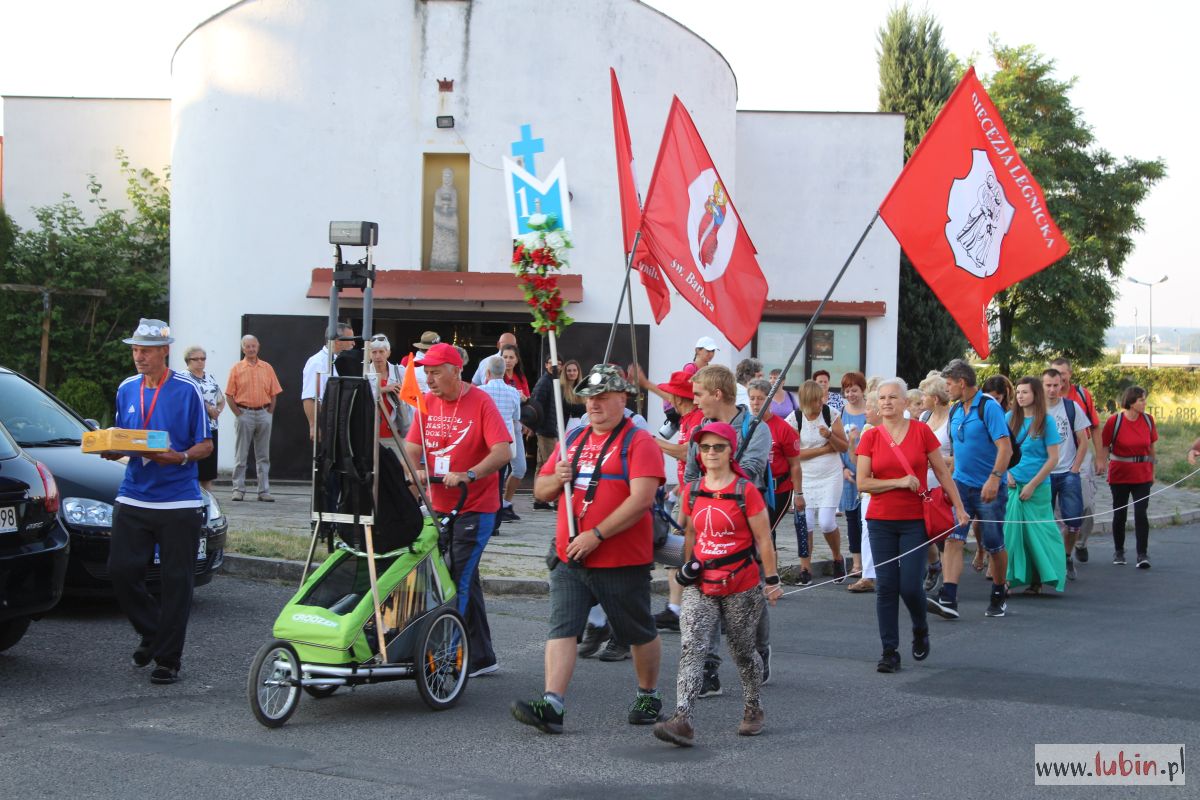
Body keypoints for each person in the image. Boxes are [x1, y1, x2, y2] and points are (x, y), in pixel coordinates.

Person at [512, 365, 666, 735]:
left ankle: (648, 694)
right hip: (570, 556)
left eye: (602, 397)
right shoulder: (574, 439)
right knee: (562, 627)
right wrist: (556, 477)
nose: (593, 404)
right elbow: (540, 491)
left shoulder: (639, 442)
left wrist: (596, 535)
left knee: (638, 631)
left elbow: (641, 500)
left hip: (620, 559)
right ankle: (552, 703)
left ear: (623, 398)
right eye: (589, 397)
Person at [653, 423, 783, 746]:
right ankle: (682, 718)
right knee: (691, 647)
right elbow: (690, 534)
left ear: (730, 451)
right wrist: (686, 568)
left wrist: (771, 580)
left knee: (742, 651)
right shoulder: (692, 490)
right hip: (701, 584)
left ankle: (753, 706)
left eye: (718, 447)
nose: (711, 453)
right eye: (705, 447)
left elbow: (764, 540)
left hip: (741, 584)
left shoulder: (746, 491)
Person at [102, 318, 212, 685]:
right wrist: (111, 449)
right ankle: (153, 632)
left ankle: (168, 659)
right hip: (134, 494)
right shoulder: (126, 389)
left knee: (176, 582)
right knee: (121, 571)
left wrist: (180, 457)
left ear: (164, 351)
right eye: (135, 350)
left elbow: (205, 445)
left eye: (145, 351)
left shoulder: (187, 389)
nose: (138, 357)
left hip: (178, 502)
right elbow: (126, 439)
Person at [403, 343, 512, 677]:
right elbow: (411, 447)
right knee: (464, 579)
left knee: (455, 579)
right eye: (427, 373)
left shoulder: (480, 401)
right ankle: (481, 657)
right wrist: (415, 469)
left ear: (456, 371)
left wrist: (470, 474)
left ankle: (447, 656)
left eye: (436, 373)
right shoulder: (427, 402)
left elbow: (503, 451)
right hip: (438, 507)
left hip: (475, 507)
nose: (430, 380)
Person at [856, 378, 966, 673]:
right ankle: (889, 651)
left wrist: (959, 507)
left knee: (909, 585)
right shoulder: (870, 437)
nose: (887, 402)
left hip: (915, 520)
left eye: (893, 397)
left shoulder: (921, 431)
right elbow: (863, 482)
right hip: (880, 521)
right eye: (882, 398)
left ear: (905, 402)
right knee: (886, 586)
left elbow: (942, 472)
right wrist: (898, 482)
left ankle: (920, 626)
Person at [685, 364, 773, 695]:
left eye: (699, 394)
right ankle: (709, 668)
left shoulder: (756, 428)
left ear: (717, 394)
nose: (695, 401)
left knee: (750, 592)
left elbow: (750, 470)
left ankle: (759, 649)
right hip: (707, 519)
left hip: (746, 518)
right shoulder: (701, 429)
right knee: (706, 587)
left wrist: (719, 475)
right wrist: (695, 502)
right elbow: (691, 474)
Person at [928, 359, 1012, 620]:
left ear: (962, 383)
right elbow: (957, 450)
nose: (947, 389)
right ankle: (949, 596)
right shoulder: (955, 410)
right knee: (953, 539)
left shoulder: (989, 407)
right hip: (961, 486)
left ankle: (999, 591)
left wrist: (995, 479)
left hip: (989, 488)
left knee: (993, 543)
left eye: (949, 384)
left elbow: (1005, 448)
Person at [647, 369, 705, 634]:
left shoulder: (697, 419)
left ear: (679, 398)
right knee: (677, 551)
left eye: (671, 394)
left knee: (686, 551)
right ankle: (675, 609)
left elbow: (686, 453)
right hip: (686, 493)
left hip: (697, 495)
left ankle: (696, 609)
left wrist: (654, 443)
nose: (667, 398)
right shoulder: (686, 418)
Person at [1003, 377, 1066, 595]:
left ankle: (1038, 579)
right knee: (1011, 533)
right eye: (1018, 392)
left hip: (1037, 487)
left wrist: (1032, 485)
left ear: (1035, 395)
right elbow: (1000, 451)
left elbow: (1053, 458)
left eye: (1025, 392)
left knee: (1038, 535)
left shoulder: (1046, 422)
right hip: (1012, 485)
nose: (1020, 396)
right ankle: (1007, 579)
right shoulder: (1009, 418)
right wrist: (1006, 473)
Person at [786, 380, 849, 583]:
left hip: (830, 474)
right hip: (805, 476)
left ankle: (837, 558)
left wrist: (830, 435)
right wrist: (823, 449)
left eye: (820, 399)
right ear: (805, 401)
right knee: (805, 523)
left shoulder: (830, 414)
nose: (820, 404)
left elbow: (843, 447)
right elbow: (794, 454)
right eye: (815, 401)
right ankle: (805, 568)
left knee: (827, 521)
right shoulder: (795, 418)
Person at [1097, 386, 1158, 569]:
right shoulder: (1114, 421)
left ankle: (1142, 554)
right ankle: (1119, 551)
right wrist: (1101, 462)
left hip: (1142, 474)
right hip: (1120, 474)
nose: (1145, 403)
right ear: (1131, 402)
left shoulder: (1148, 420)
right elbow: (1105, 445)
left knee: (1141, 513)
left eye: (1145, 399)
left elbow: (1152, 448)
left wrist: (1153, 471)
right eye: (1141, 400)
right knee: (1120, 513)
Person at [1050, 358, 1102, 565]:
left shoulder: (1081, 395)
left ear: (1070, 374)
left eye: (1063, 373)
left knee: (1086, 505)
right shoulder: (1042, 399)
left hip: (1080, 456)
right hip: (1054, 461)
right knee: (1057, 510)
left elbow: (1094, 427)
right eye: (1055, 373)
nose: (1059, 378)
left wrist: (1100, 457)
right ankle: (1063, 553)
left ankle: (1080, 541)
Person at [1042, 368, 1091, 581]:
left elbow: (1083, 441)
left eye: (1056, 385)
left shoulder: (1071, 407)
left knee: (1074, 521)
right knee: (1043, 521)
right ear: (1042, 386)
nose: (1052, 390)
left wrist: (1075, 468)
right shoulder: (1035, 409)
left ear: (1062, 385)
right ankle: (1046, 560)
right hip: (1043, 474)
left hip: (1067, 472)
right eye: (1048, 385)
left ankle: (1066, 555)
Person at [224, 334, 283, 502]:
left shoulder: (267, 367)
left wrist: (269, 412)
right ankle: (238, 490)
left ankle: (263, 491)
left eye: (253, 346)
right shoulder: (236, 369)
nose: (251, 349)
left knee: (263, 455)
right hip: (245, 413)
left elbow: (274, 392)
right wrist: (239, 414)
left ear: (258, 347)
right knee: (241, 455)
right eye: (247, 346)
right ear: (243, 349)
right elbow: (229, 395)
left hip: (264, 413)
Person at [747, 379, 803, 546]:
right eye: (752, 398)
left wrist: (798, 494)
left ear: (769, 400)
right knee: (763, 535)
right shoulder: (745, 425)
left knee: (764, 532)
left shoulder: (783, 428)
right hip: (753, 488)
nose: (756, 403)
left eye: (760, 398)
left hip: (778, 490)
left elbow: (795, 464)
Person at [479, 355, 526, 526]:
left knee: (484, 481)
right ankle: (496, 522)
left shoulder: (481, 391)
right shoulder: (513, 392)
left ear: (488, 372)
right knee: (499, 481)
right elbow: (517, 416)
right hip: (505, 441)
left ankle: (485, 519)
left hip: (485, 441)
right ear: (504, 372)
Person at [918, 371, 954, 593]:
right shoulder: (924, 417)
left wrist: (936, 460)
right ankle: (934, 565)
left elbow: (959, 456)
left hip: (943, 482)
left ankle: (949, 584)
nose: (921, 398)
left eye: (924, 394)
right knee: (923, 530)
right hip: (923, 483)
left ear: (935, 397)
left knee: (944, 533)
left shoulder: (952, 420)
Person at [838, 372, 871, 592]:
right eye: (847, 390)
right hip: (848, 473)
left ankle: (869, 563)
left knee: (866, 520)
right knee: (851, 518)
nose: (851, 394)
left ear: (862, 390)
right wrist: (842, 468)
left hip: (867, 471)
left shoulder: (870, 412)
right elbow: (836, 444)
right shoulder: (840, 413)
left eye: (855, 390)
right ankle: (856, 563)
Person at [301, 321, 356, 440]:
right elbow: (309, 397)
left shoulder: (345, 361)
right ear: (337, 341)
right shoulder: (317, 362)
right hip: (329, 424)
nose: (354, 343)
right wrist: (314, 425)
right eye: (350, 339)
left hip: (345, 424)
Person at [182, 344, 224, 493]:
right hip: (193, 429)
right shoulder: (184, 378)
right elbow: (188, 399)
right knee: (195, 468)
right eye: (196, 359)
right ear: (188, 360)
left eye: (203, 358)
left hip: (211, 427)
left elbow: (221, 398)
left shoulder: (209, 377)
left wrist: (217, 411)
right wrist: (208, 408)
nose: (200, 361)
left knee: (208, 471)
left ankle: (208, 499)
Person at [366, 334, 409, 453]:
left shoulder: (400, 371)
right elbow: (362, 397)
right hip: (372, 433)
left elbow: (412, 397)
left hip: (396, 432)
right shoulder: (365, 372)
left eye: (381, 351)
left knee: (398, 463)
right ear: (369, 354)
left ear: (388, 353)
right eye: (374, 352)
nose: (377, 356)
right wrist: (384, 389)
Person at [529, 356, 561, 510]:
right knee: (552, 464)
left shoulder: (551, 381)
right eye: (552, 363)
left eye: (558, 364)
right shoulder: (545, 382)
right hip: (546, 429)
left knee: (542, 465)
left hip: (546, 428)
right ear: (546, 364)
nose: (555, 366)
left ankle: (539, 499)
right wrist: (535, 426)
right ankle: (557, 501)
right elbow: (536, 405)